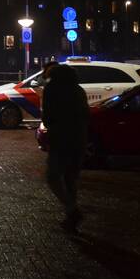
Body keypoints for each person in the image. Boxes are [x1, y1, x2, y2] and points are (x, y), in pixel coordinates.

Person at [41, 64, 89, 232]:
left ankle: (71, 210)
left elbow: (47, 116)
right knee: (71, 179)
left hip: (60, 139)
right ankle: (71, 218)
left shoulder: (51, 89)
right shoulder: (78, 90)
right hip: (79, 139)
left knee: (53, 177)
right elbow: (86, 115)